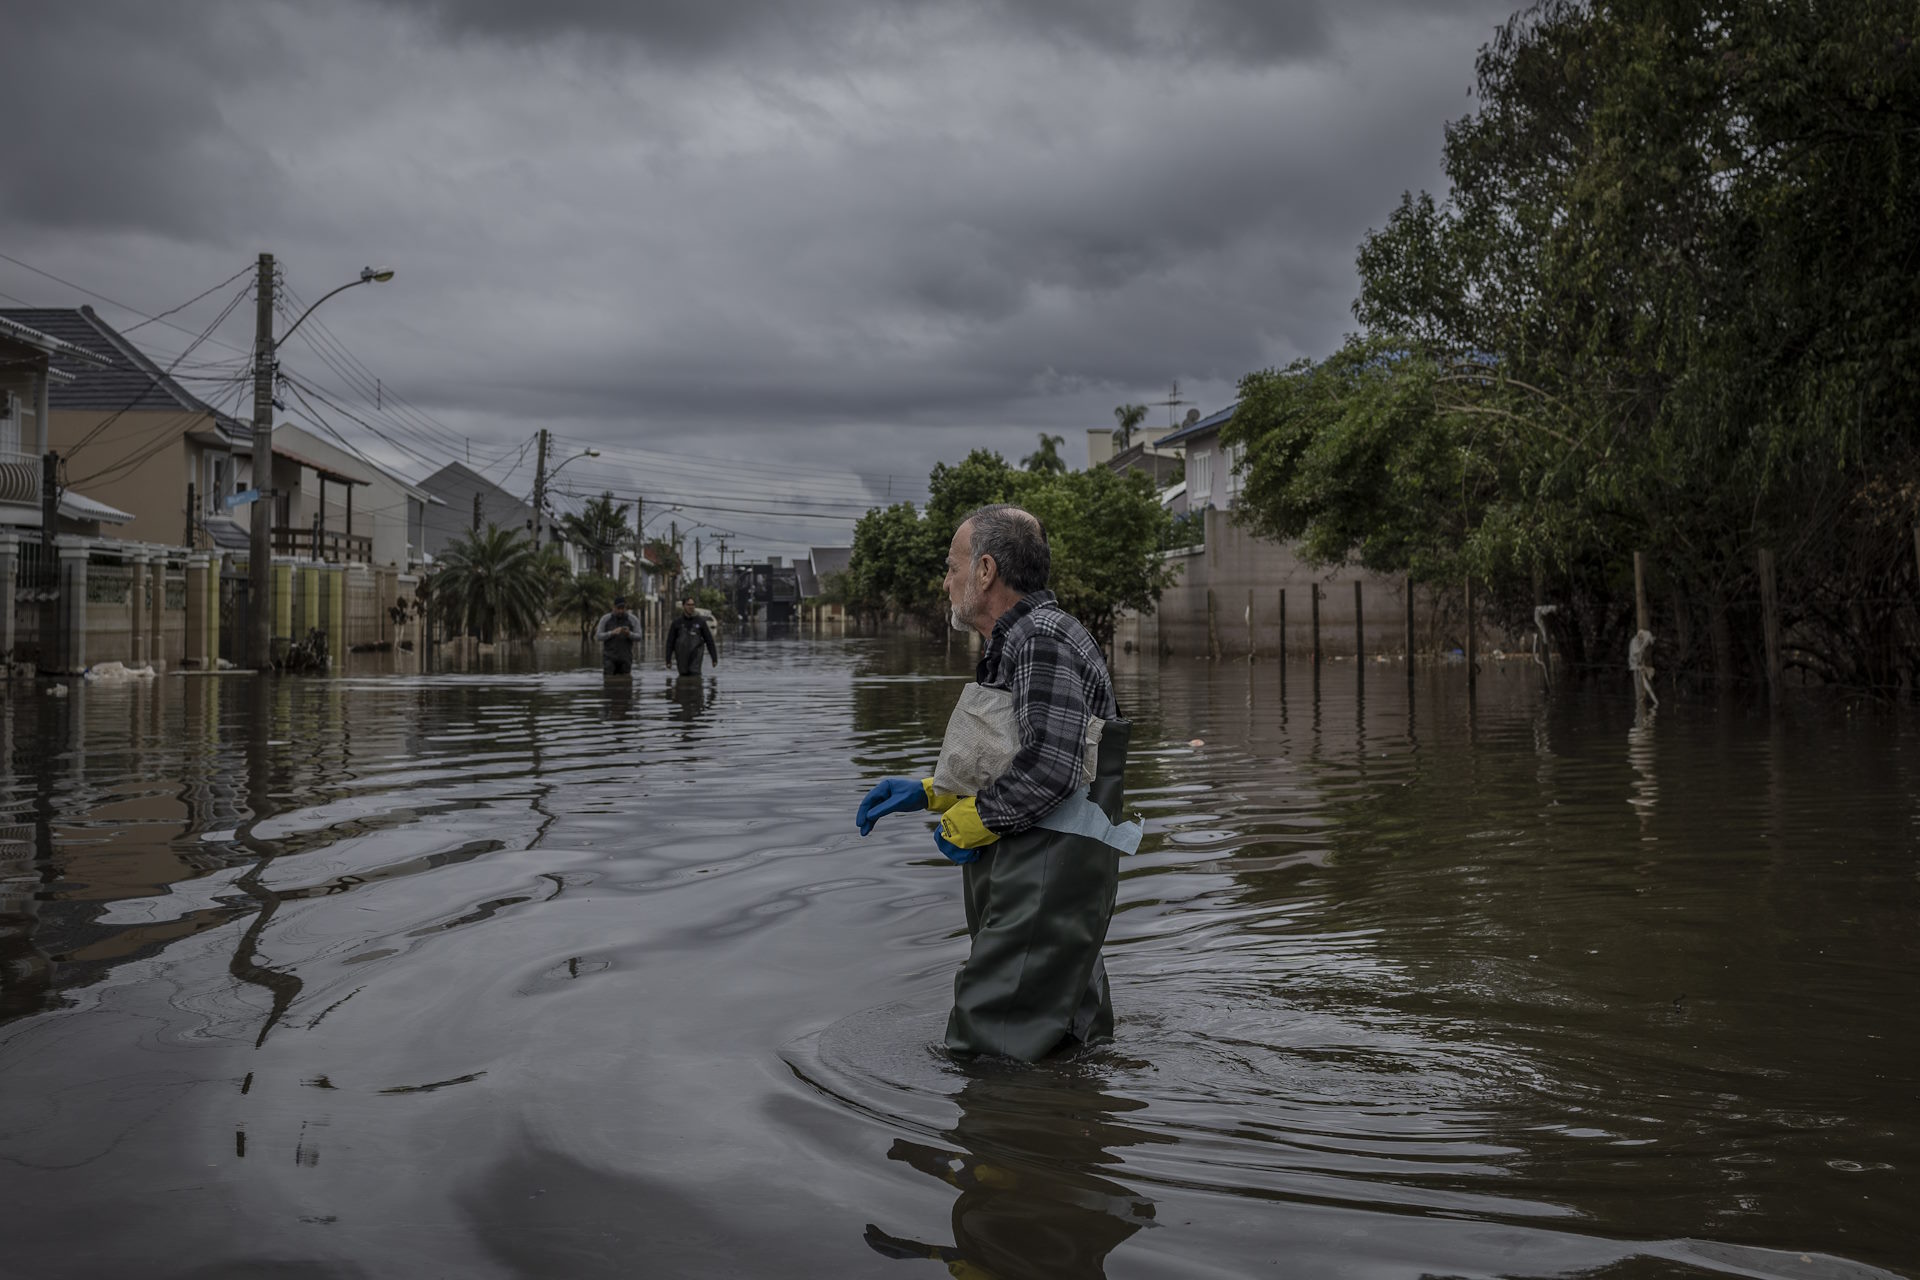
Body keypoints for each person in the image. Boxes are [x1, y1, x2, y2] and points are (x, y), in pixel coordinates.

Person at [854, 504, 1139, 1062]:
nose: (947, 580)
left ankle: (998, 1145)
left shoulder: (1041, 639)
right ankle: (1075, 1128)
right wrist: (934, 790)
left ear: (985, 571)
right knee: (1068, 1043)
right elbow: (1016, 751)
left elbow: (1052, 768)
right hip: (1045, 874)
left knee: (988, 1047)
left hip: (1046, 873)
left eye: (953, 565)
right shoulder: (1020, 639)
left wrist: (974, 818)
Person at [664, 595, 718, 677]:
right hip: (681, 657)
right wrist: (668, 660)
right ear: (683, 606)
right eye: (688, 605)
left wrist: (714, 658)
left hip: (696, 657)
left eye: (692, 605)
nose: (691, 607)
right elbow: (670, 642)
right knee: (682, 678)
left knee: (695, 677)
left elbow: (709, 640)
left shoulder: (700, 622)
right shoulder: (677, 623)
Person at [594, 595, 644, 676]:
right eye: (618, 608)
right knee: (609, 683)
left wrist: (629, 634)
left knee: (626, 684)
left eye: (623, 608)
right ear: (613, 607)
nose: (621, 611)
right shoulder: (605, 619)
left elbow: (639, 637)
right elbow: (598, 636)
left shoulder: (633, 619)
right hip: (609, 659)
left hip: (626, 659)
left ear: (625, 607)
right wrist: (611, 633)